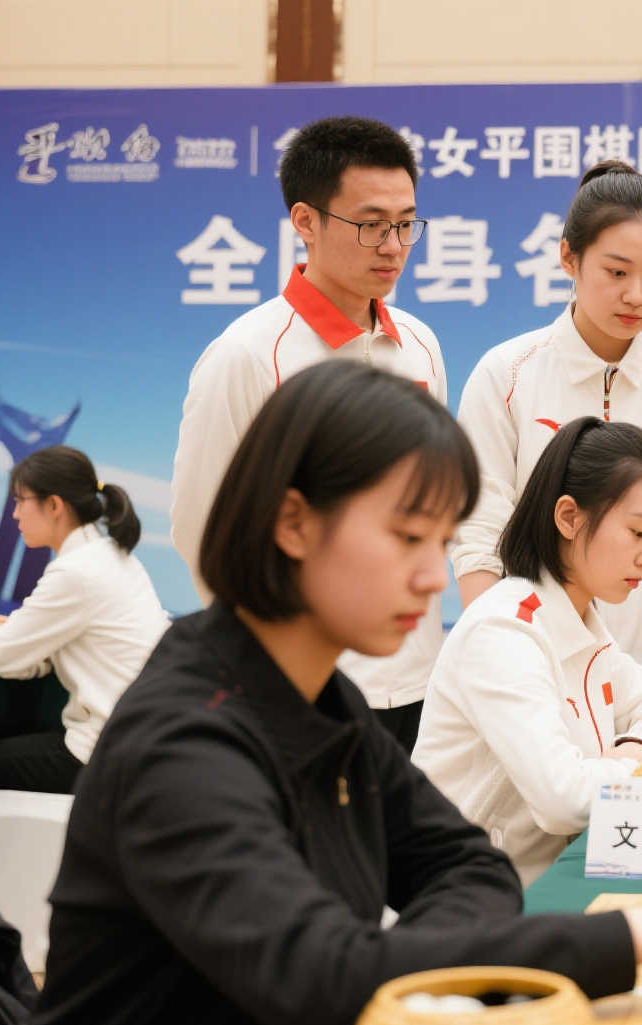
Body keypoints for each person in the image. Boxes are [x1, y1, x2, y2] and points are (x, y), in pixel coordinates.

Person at [0, 363, 642, 1025]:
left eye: (443, 540)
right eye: (406, 537)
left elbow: (466, 866)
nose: (434, 578)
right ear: (292, 521)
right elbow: (321, 974)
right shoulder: (185, 737)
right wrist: (630, 944)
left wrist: (374, 996)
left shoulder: (318, 698)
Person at [171, 115, 447, 750]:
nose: (393, 244)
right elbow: (201, 529)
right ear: (305, 221)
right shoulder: (246, 356)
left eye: (406, 224)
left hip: (418, 677)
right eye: (372, 224)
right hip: (301, 685)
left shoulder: (422, 349)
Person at [451, 161, 642, 740]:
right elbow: (480, 537)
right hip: (529, 678)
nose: (636, 295)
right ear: (569, 259)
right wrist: (499, 668)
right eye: (616, 271)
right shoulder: (507, 373)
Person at [417, 418, 642, 883]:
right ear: (569, 517)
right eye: (636, 532)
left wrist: (623, 758)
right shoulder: (504, 632)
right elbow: (563, 802)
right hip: (463, 902)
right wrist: (637, 768)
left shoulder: (582, 622)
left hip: (542, 885)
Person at [0, 446, 166, 860]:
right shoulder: (115, 557)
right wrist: (23, 638)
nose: (14, 515)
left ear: (54, 505)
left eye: (20, 501)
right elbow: (47, 648)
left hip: (104, 752)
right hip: (142, 743)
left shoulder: (75, 572)